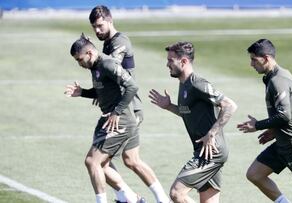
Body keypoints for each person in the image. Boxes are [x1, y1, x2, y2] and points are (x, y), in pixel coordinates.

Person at [89, 5, 169, 203]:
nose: (97, 30)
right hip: (126, 107)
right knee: (131, 160)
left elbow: (112, 67)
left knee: (98, 161)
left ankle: (128, 198)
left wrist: (91, 53)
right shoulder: (107, 44)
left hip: (128, 109)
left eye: (100, 26)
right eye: (94, 27)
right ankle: (156, 199)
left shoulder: (120, 42)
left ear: (110, 20)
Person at [149, 41, 237, 203]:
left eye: (170, 60)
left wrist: (211, 133)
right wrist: (169, 106)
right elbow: (188, 113)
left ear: (183, 61)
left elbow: (229, 106)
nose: (167, 64)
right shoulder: (184, 85)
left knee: (177, 193)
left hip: (213, 152)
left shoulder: (197, 84)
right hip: (204, 151)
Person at [65, 34, 146, 203]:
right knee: (102, 165)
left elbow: (132, 86)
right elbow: (103, 91)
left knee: (92, 161)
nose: (79, 64)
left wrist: (117, 112)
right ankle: (131, 199)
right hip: (110, 119)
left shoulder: (108, 64)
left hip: (121, 119)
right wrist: (83, 93)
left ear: (89, 53)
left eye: (79, 59)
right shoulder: (95, 68)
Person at [237, 39, 292, 203]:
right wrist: (273, 131)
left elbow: (285, 115)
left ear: (266, 58)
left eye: (254, 60)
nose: (251, 64)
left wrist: (258, 125)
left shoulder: (278, 80)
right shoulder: (273, 76)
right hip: (282, 143)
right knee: (255, 174)